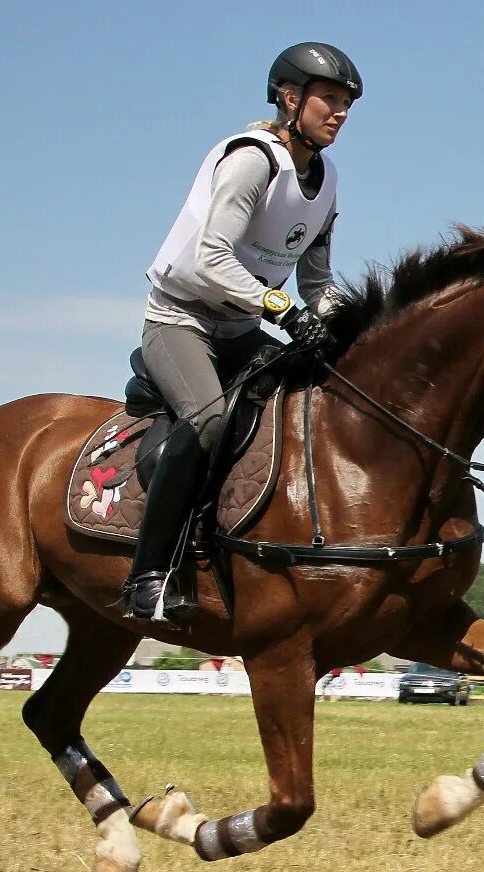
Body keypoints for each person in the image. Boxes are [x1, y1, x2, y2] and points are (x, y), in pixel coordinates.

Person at [123, 42, 363, 621]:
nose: (340, 112)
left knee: (317, 396)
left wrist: (344, 325)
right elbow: (210, 259)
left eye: (347, 103)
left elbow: (318, 282)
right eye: (329, 99)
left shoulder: (326, 180)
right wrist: (281, 310)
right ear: (290, 99)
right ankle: (150, 576)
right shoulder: (252, 161)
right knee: (207, 421)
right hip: (180, 321)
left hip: (240, 328)